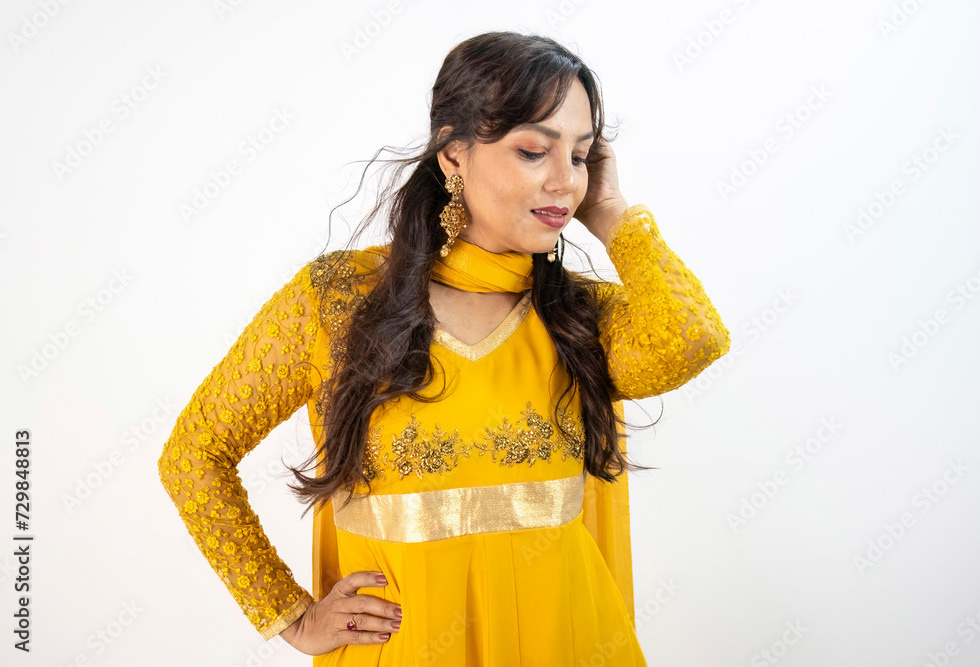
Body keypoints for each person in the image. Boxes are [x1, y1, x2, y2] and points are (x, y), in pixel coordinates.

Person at [157, 30, 730, 666]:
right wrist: (289, 614)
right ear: (454, 154)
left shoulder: (578, 318)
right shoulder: (336, 302)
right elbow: (194, 452)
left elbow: (695, 336)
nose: (565, 182)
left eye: (580, 156)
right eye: (534, 151)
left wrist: (614, 211)